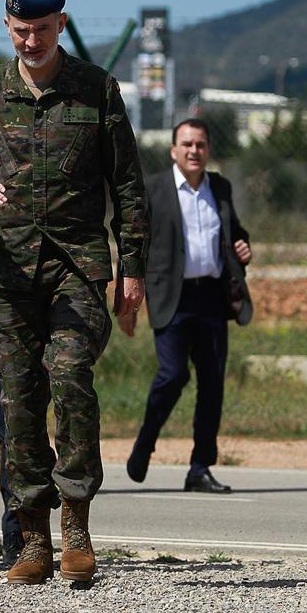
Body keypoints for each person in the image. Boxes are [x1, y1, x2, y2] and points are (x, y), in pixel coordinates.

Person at [0, 0, 148, 586]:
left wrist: (132, 268)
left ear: (62, 25)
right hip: (7, 273)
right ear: (7, 27)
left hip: (76, 267)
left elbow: (127, 184)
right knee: (17, 401)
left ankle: (75, 518)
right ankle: (33, 539)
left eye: (41, 31)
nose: (30, 42)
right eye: (20, 31)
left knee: (71, 375)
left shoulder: (96, 91)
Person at [127, 117, 253, 494]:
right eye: (186, 144)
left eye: (200, 144)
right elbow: (135, 243)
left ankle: (200, 467)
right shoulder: (155, 190)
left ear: (208, 150)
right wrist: (128, 300)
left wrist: (244, 248)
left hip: (212, 297)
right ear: (173, 150)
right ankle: (145, 442)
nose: (194, 151)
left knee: (212, 383)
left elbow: (235, 233)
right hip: (172, 298)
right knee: (173, 373)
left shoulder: (221, 187)